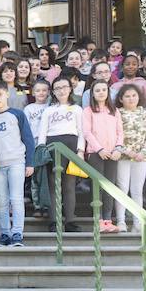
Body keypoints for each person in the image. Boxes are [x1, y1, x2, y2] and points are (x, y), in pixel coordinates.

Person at [0, 80, 35, 247]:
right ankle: (5, 234)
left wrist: (30, 163)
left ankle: (17, 233)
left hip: (16, 162)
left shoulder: (17, 114)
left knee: (16, 199)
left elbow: (28, 139)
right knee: (1, 201)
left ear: (7, 94)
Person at [37, 77, 85, 232]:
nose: (61, 90)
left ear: (70, 89)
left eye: (64, 87)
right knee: (52, 185)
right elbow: (42, 132)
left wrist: (80, 151)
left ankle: (70, 221)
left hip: (71, 147)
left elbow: (81, 131)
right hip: (52, 148)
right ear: (53, 92)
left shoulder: (77, 109)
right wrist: (41, 150)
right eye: (57, 88)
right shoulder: (49, 110)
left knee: (69, 185)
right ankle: (54, 220)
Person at [113, 84, 146, 233]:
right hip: (122, 157)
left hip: (141, 158)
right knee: (122, 188)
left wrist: (142, 152)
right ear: (121, 98)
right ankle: (121, 221)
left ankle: (137, 222)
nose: (131, 99)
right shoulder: (117, 114)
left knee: (137, 190)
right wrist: (127, 151)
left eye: (134, 95)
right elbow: (114, 136)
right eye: (127, 96)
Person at [82, 79, 123, 234]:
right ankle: (98, 220)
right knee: (97, 187)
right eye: (97, 90)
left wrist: (118, 148)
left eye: (104, 90)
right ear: (92, 93)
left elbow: (120, 132)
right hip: (96, 153)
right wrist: (99, 149)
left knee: (110, 187)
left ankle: (108, 220)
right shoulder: (88, 111)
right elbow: (87, 132)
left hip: (113, 154)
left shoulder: (114, 111)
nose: (101, 93)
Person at [24, 79, 51, 218]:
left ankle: (47, 205)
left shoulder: (51, 107)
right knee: (35, 178)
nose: (41, 93)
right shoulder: (29, 108)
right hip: (34, 145)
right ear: (33, 92)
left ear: (48, 92)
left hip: (48, 144)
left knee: (47, 177)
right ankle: (37, 205)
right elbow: (26, 129)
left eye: (44, 90)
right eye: (38, 90)